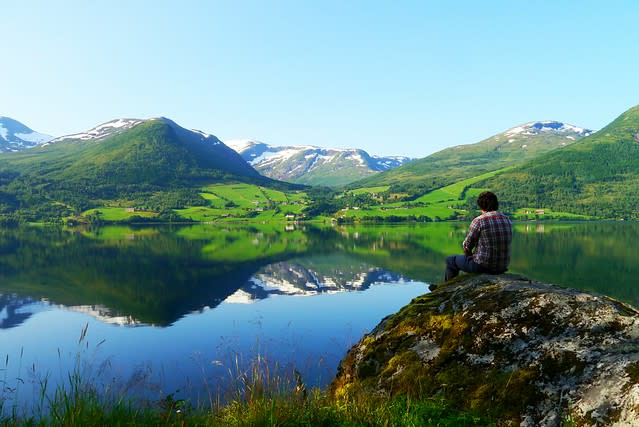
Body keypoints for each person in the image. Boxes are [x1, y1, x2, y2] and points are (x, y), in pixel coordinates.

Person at [443, 191, 512, 282]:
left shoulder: (479, 220)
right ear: (496, 204)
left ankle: (446, 288)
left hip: (483, 267)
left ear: (481, 206)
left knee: (451, 260)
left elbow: (467, 246)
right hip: (502, 266)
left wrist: (469, 256)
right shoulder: (507, 219)